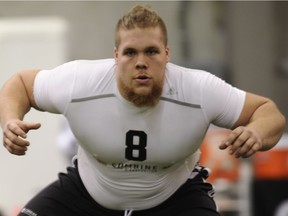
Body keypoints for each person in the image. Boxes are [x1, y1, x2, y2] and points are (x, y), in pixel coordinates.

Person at [0, 5, 286, 216]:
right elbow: (20, 84)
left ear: (167, 54)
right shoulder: (81, 83)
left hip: (174, 200)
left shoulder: (198, 90)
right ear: (115, 56)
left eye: (151, 51)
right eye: (130, 53)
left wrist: (256, 132)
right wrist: (11, 120)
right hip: (88, 195)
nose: (140, 62)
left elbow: (268, 111)